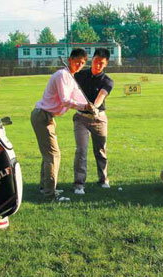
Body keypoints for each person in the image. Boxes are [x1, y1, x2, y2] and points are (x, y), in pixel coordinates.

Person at [31, 48, 91, 199]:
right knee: (53, 155)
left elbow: (78, 97)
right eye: (77, 61)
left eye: (82, 63)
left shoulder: (70, 77)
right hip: (42, 116)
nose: (79, 65)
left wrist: (91, 107)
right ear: (70, 59)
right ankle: (50, 194)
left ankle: (44, 188)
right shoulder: (62, 75)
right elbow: (65, 100)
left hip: (47, 117)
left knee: (49, 154)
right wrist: (84, 107)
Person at [72, 48, 114, 195]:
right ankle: (79, 184)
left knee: (101, 150)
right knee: (81, 151)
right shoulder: (80, 75)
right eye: (95, 61)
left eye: (101, 63)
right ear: (92, 59)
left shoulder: (107, 81)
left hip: (99, 119)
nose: (97, 65)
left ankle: (103, 179)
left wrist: (94, 107)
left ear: (106, 64)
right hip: (81, 118)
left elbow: (101, 96)